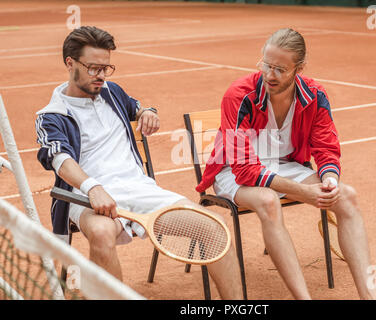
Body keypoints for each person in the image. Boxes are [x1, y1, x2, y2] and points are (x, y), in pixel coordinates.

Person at [35, 26, 242, 299]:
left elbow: (137, 106)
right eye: (93, 68)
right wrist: (93, 188)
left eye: (106, 69)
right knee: (101, 233)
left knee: (213, 226)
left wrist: (148, 112)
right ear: (70, 63)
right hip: (86, 197)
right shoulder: (51, 116)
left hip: (139, 189)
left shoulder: (111, 92)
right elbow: (60, 160)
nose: (100, 76)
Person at [196, 28, 376, 300]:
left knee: (347, 197)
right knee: (268, 201)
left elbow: (326, 146)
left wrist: (329, 179)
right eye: (266, 65)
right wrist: (303, 191)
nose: (270, 75)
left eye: (280, 69)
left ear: (299, 68)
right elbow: (245, 169)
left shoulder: (314, 95)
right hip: (233, 172)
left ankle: (371, 297)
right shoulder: (238, 95)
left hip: (284, 166)